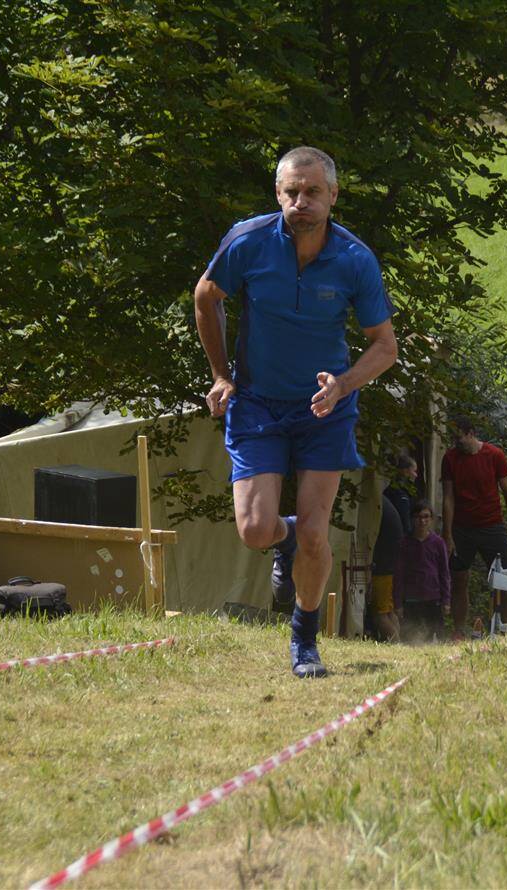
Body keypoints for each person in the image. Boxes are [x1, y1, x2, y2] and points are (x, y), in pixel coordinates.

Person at [194, 146, 398, 678]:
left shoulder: (355, 259)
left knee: (315, 533)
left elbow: (385, 346)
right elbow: (206, 296)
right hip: (257, 403)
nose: (300, 202)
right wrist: (221, 375)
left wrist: (344, 385)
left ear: (333, 195)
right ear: (278, 194)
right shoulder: (248, 242)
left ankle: (304, 641)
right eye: (291, 192)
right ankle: (282, 536)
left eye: (312, 192)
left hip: (323, 409)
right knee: (255, 530)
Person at [443, 415, 507, 639]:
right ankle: (459, 629)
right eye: (453, 439)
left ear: (471, 434)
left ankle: (503, 628)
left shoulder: (494, 455)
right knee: (460, 578)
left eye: (459, 438)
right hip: (462, 527)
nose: (456, 443)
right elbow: (448, 497)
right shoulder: (450, 458)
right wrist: (447, 534)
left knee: (502, 579)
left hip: (491, 525)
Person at [394, 499, 451, 641]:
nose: (422, 521)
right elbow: (399, 575)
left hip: (433, 598)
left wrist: (446, 600)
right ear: (412, 519)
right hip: (411, 599)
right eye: (418, 517)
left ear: (431, 519)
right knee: (410, 637)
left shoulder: (438, 543)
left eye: (426, 517)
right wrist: (398, 603)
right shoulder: (405, 543)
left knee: (437, 636)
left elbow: (444, 573)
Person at [370, 490, 404, 642]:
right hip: (390, 561)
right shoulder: (381, 499)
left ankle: (396, 645)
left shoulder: (374, 500)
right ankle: (398, 642)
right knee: (389, 611)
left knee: (380, 614)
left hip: (383, 565)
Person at [384, 452, 417, 537]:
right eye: (414, 471)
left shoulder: (390, 490)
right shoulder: (401, 495)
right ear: (406, 472)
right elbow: (405, 522)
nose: (416, 475)